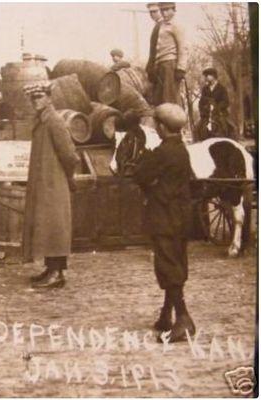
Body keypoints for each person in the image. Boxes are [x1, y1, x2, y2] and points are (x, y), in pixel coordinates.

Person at [133, 103, 195, 343]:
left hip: (163, 216)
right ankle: (166, 315)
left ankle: (183, 319)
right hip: (181, 216)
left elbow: (140, 175)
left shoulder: (161, 152)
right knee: (175, 260)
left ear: (161, 127)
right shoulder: (181, 149)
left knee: (167, 265)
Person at [22, 82, 80, 289]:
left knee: (55, 228)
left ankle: (57, 273)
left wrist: (68, 177)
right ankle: (51, 268)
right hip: (45, 182)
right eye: (33, 98)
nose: (35, 101)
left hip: (54, 184)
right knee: (48, 227)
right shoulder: (42, 121)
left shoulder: (54, 121)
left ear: (49, 98)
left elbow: (69, 154)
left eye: (39, 97)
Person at [150, 2, 187, 105]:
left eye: (167, 10)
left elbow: (183, 48)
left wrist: (181, 68)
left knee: (169, 98)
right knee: (158, 99)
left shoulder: (176, 26)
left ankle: (176, 120)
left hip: (170, 64)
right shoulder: (161, 26)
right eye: (162, 10)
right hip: (160, 64)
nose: (164, 13)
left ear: (173, 10)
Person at [195, 67, 236, 141]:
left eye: (208, 75)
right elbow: (201, 102)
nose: (206, 77)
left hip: (220, 113)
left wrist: (216, 107)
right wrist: (204, 110)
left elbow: (226, 101)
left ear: (214, 76)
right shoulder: (205, 89)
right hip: (207, 114)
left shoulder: (222, 88)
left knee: (231, 127)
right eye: (206, 75)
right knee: (197, 128)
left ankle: (232, 142)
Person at [145, 2, 163, 91]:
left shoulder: (163, 25)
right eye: (150, 12)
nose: (152, 14)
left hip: (161, 64)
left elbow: (159, 48)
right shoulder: (157, 25)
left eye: (155, 11)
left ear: (161, 11)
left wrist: (153, 64)